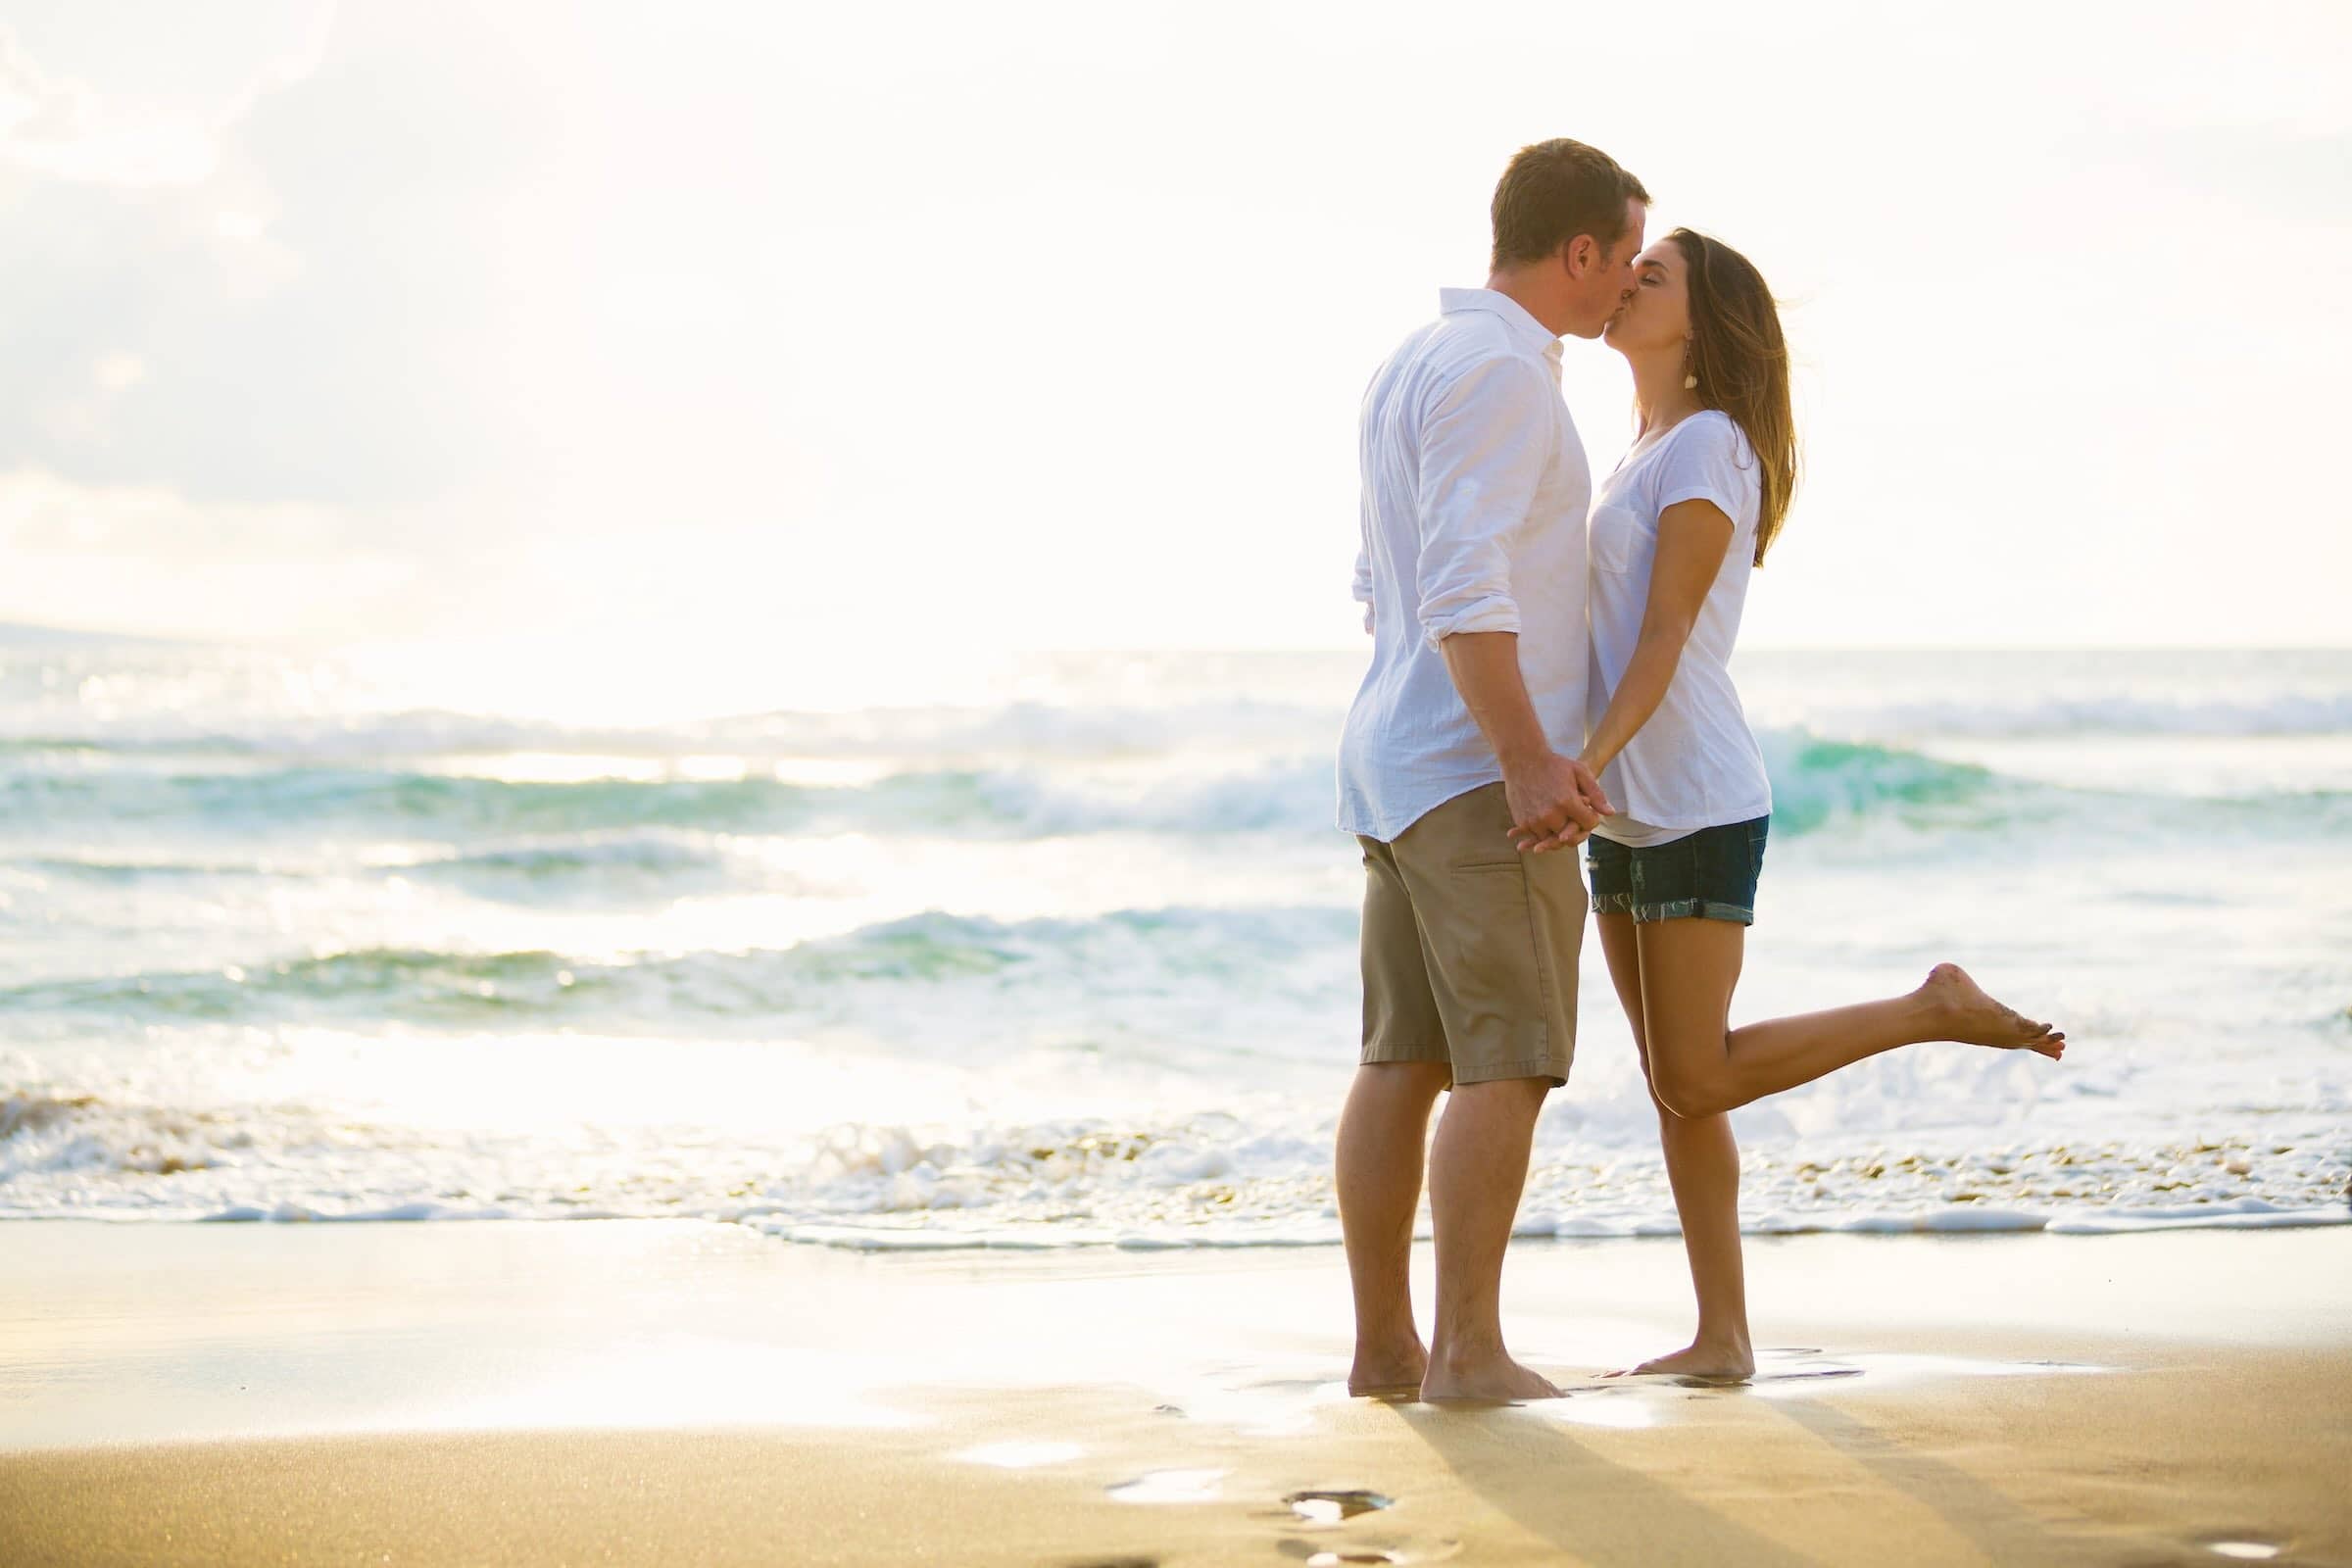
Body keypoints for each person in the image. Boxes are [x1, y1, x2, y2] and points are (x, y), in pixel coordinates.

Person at [1516, 227, 2066, 1380]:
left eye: (1650, 274)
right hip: (1625, 803)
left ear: (1703, 322)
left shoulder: (1709, 446)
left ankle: (1930, 1007)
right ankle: (1722, 1338)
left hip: (1693, 796)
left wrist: (1586, 761)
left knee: (1698, 1073)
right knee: (1679, 1087)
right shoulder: (1641, 447)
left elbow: (1667, 635)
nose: (1624, 282)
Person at [1333, 138, 1645, 1403]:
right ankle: (1466, 1352)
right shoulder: (1506, 378)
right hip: (1469, 769)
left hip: (1395, 750)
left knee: (1398, 1062)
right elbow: (1463, 581)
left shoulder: (1414, 361)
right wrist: (1525, 756)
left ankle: (1386, 1353)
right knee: (1503, 1060)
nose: (1628, 281)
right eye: (1624, 258)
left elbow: (1382, 586)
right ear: (1579, 252)